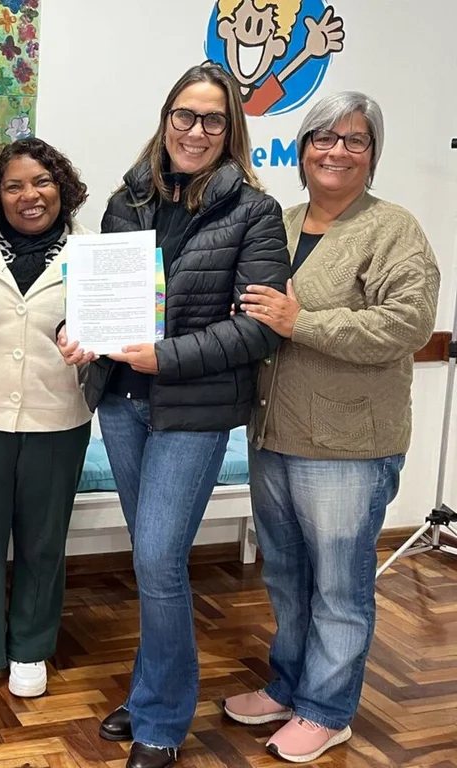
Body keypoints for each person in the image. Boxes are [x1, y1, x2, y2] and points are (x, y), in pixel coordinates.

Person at [58, 63, 291, 768]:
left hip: (192, 411)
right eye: (185, 116)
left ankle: (161, 715)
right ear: (166, 121)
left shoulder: (256, 212)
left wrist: (170, 357)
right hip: (123, 405)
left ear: (231, 132)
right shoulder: (125, 202)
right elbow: (98, 301)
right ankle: (155, 685)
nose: (196, 130)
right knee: (152, 559)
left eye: (212, 120)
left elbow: (257, 330)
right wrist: (78, 335)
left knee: (159, 559)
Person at [225, 92, 440, 764]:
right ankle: (291, 686)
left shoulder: (393, 229)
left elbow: (408, 325)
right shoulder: (280, 224)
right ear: (302, 148)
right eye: (323, 137)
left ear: (373, 154)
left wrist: (303, 324)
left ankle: (328, 710)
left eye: (354, 140)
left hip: (348, 447)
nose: (335, 151)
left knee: (340, 586)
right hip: (273, 437)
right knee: (287, 578)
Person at [0, 138, 92, 699]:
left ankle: (30, 646)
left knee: (43, 538)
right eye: (14, 185)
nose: (30, 195)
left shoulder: (93, 252)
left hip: (60, 415)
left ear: (63, 188)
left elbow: (126, 329)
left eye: (43, 182)